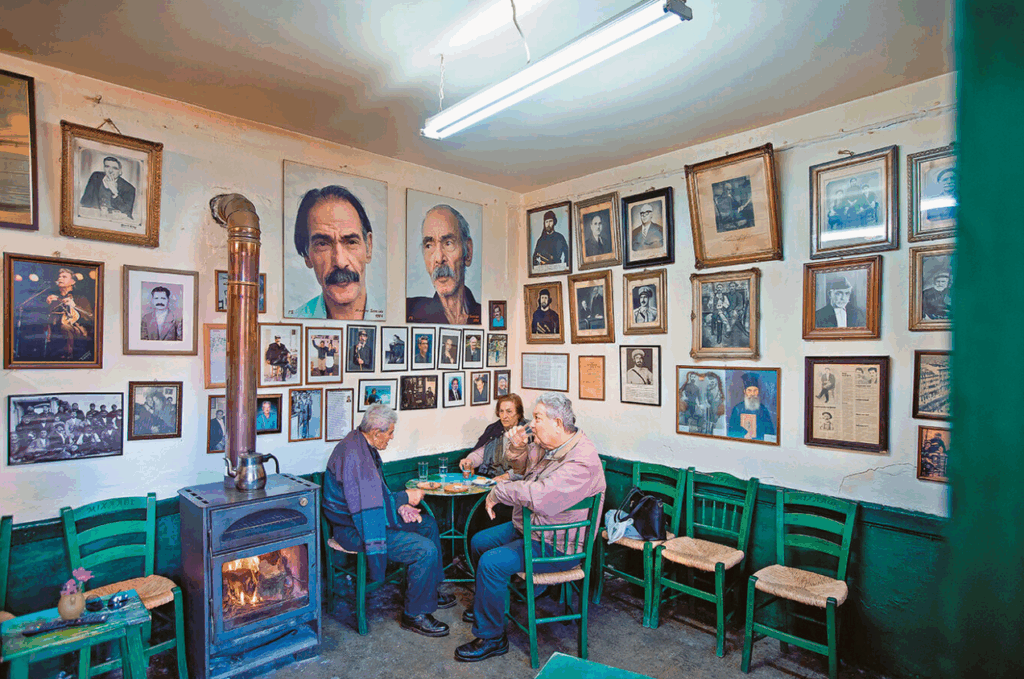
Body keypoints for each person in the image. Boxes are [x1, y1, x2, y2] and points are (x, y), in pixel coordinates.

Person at [455, 393, 606, 662]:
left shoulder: (581, 460)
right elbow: (522, 469)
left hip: (557, 545)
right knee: (479, 542)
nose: (531, 424)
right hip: (534, 529)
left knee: (491, 563)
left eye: (537, 418)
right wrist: (517, 448)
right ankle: (492, 606)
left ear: (557, 423)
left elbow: (541, 497)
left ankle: (492, 637)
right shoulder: (550, 445)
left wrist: (499, 491)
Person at [323, 405, 454, 636]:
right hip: (352, 529)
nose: (392, 437)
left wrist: (400, 507)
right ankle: (414, 615)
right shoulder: (354, 455)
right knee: (424, 549)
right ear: (376, 432)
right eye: (390, 432)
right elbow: (365, 508)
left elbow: (373, 497)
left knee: (427, 525)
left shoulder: (362, 445)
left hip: (365, 520)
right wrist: (405, 497)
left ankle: (428, 591)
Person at [292, 185, 375, 319]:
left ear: (368, 247)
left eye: (351, 242)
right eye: (322, 244)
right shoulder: (296, 320)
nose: (340, 262)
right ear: (307, 256)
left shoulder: (397, 312)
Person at [407, 205, 481, 324]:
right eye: (429, 246)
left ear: (468, 251)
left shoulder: (484, 315)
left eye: (448, 243)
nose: (439, 259)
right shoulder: (410, 311)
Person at [460, 394, 529, 480]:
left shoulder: (527, 431)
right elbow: (481, 453)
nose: (504, 416)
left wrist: (504, 477)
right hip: (488, 477)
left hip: (512, 482)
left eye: (509, 411)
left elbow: (528, 466)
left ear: (518, 414)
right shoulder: (493, 429)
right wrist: (469, 461)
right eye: (501, 411)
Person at [41, 267, 95, 361]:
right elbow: (44, 318)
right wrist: (46, 305)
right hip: (53, 329)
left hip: (76, 330)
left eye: (64, 277)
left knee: (65, 327)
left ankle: (67, 358)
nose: (60, 278)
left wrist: (74, 306)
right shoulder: (53, 297)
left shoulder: (80, 297)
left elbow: (90, 317)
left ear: (73, 282)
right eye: (59, 277)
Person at [727, 372, 776, 441]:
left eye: (755, 390)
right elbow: (731, 431)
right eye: (749, 390)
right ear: (745, 391)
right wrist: (744, 434)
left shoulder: (763, 410)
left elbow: (770, 432)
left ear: (758, 392)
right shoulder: (737, 409)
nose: (752, 394)